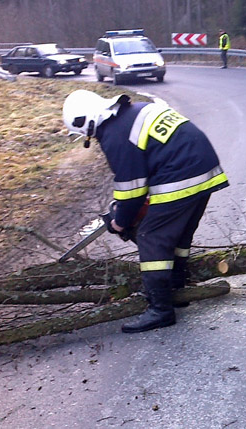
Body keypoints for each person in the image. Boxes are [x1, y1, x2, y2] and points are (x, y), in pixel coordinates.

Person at [62, 90, 229, 333]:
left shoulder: (114, 135)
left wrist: (120, 221)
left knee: (151, 237)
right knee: (178, 235)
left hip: (181, 177)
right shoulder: (133, 112)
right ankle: (177, 290)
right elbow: (148, 166)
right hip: (204, 169)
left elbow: (132, 191)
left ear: (85, 121)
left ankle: (160, 309)